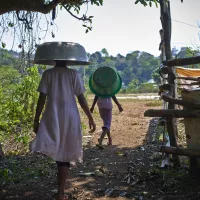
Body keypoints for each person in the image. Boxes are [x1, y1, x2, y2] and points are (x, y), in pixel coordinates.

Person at [30, 61, 96, 200]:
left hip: (52, 115)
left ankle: (60, 191)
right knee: (65, 153)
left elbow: (42, 97)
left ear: (54, 59)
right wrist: (90, 117)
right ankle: (61, 192)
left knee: (59, 150)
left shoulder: (48, 74)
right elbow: (81, 98)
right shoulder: (74, 74)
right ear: (68, 59)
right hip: (69, 116)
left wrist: (36, 119)